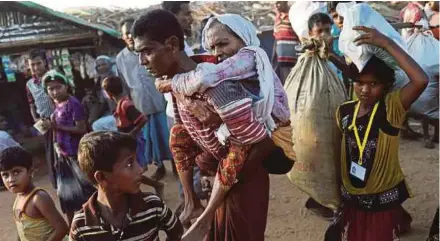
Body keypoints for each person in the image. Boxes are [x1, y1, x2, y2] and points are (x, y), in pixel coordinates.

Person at [132, 10, 290, 240]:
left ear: (172, 44)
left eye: (147, 51)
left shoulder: (219, 83)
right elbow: (189, 133)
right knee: (178, 132)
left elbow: (258, 141)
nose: (141, 61)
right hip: (222, 176)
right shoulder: (181, 82)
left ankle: (203, 214)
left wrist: (225, 177)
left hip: (243, 180)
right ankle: (191, 202)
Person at [335, 26, 428, 241]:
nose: (365, 90)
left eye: (373, 84)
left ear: (386, 85)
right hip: (353, 195)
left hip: (380, 197)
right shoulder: (344, 111)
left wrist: (386, 43)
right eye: (359, 83)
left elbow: (420, 80)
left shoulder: (391, 108)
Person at [71, 131, 183, 240]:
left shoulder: (153, 205)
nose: (140, 169)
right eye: (129, 164)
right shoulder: (81, 227)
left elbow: (177, 232)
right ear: (102, 177)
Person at [116, 17, 173, 180]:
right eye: (125, 34)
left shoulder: (149, 49)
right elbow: (124, 85)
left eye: (130, 33)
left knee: (168, 135)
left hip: (160, 101)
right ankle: (160, 167)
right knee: (150, 140)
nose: (128, 36)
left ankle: (177, 165)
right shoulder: (120, 58)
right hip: (140, 105)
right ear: (122, 36)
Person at [41, 70, 95, 225]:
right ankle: (74, 228)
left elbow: (81, 129)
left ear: (66, 86)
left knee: (86, 190)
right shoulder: (57, 106)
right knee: (65, 194)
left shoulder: (73, 104)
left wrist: (56, 126)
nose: (55, 91)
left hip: (76, 153)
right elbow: (56, 130)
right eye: (51, 89)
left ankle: (95, 222)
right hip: (63, 154)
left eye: (58, 87)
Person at [101, 75, 165, 197]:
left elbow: (143, 119)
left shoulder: (125, 104)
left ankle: (155, 186)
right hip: (128, 141)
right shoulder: (120, 104)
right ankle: (152, 187)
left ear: (109, 93)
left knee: (134, 169)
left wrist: (132, 134)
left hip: (133, 141)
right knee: (132, 169)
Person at [0, 147, 68, 241]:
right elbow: (21, 230)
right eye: (5, 175)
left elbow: (62, 228)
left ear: (31, 172)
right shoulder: (19, 197)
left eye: (16, 172)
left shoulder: (38, 198)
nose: (11, 179)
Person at [25, 49, 56, 187]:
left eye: (38, 63)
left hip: (59, 119)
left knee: (63, 148)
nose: (36, 67)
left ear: (45, 62)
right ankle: (56, 181)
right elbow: (31, 103)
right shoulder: (29, 84)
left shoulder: (53, 76)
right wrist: (35, 119)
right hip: (43, 122)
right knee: (50, 150)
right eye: (32, 64)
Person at [273, 1, 300, 84]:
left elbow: (300, 35)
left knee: (293, 83)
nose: (276, 6)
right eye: (274, 4)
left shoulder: (293, 15)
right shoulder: (277, 18)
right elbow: (276, 37)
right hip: (281, 59)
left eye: (278, 3)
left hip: (293, 59)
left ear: (285, 2)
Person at [0, 114, 21, 190]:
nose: (5, 123)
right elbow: (17, 148)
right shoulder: (4, 134)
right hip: (5, 162)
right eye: (2, 121)